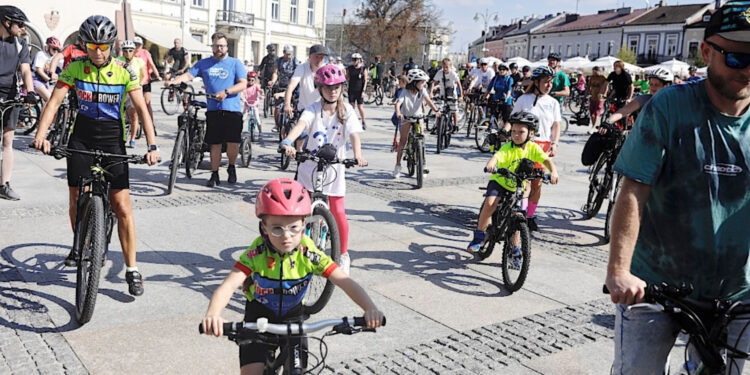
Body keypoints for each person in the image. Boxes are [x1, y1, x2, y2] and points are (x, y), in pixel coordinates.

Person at [606, 2, 750, 373]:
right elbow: (635, 188)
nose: (748, 69)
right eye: (736, 58)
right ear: (706, 52)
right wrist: (620, 271)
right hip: (657, 283)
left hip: (738, 291)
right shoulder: (670, 107)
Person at [31, 15, 159, 296]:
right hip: (83, 137)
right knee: (75, 194)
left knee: (121, 204)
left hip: (113, 138)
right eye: (92, 46)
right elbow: (54, 102)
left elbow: (141, 110)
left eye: (103, 47)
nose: (98, 52)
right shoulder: (75, 68)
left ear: (111, 46)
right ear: (84, 46)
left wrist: (152, 146)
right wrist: (41, 134)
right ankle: (81, 242)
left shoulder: (125, 70)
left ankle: (132, 268)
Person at [200, 178, 384, 374]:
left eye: (294, 228)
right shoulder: (257, 252)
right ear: (264, 228)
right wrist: (213, 314)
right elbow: (228, 285)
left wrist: (370, 308)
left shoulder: (309, 253)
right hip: (258, 317)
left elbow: (344, 281)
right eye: (276, 228)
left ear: (304, 224)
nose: (286, 236)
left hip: (293, 318)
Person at [279, 65, 366, 275]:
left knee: (338, 212)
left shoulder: (347, 111)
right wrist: (289, 140)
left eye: (337, 87)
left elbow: (354, 134)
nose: (333, 91)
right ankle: (294, 249)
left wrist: (358, 155)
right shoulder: (313, 108)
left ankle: (343, 254)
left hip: (334, 167)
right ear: (320, 89)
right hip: (310, 164)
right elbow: (301, 124)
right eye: (328, 88)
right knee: (300, 209)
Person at [466, 111, 559, 253]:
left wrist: (553, 172)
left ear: (531, 133)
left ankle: (515, 247)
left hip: (518, 186)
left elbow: (546, 160)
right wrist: (491, 164)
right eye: (513, 131)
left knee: (518, 215)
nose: (515, 135)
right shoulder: (507, 147)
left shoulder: (533, 148)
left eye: (520, 132)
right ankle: (479, 236)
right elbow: (497, 156)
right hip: (500, 182)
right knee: (490, 203)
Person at [171, 32, 247, 187]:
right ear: (212, 46)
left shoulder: (235, 63)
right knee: (215, 143)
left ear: (226, 47)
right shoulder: (204, 63)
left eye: (222, 46)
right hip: (213, 110)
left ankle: (231, 167)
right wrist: (176, 80)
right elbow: (189, 75)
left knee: (233, 143)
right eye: (216, 46)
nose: (219, 49)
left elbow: (243, 84)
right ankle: (214, 174)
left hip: (232, 109)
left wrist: (226, 92)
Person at [511, 66, 561, 231]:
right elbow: (511, 120)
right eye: (546, 82)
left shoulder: (553, 103)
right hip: (524, 145)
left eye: (551, 82)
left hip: (543, 146)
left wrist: (555, 143)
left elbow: (556, 125)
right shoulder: (524, 99)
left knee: (537, 184)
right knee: (525, 183)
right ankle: (521, 214)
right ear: (537, 82)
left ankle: (530, 215)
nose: (549, 85)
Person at [0, 5, 36, 201]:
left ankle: (3, 184)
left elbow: (25, 70)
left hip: (11, 95)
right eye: (20, 24)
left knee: (8, 141)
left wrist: (29, 91)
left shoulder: (21, 44)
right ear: (7, 22)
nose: (23, 28)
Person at [393, 69, 439, 179]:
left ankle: (423, 165)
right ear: (414, 82)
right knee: (403, 141)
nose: (424, 84)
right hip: (406, 117)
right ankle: (398, 165)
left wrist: (436, 111)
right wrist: (399, 113)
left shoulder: (422, 91)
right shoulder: (405, 92)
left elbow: (428, 101)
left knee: (421, 140)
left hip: (419, 117)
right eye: (422, 82)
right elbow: (398, 103)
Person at [603, 67, 672, 130]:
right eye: (651, 84)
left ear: (667, 86)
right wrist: (607, 122)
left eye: (656, 85)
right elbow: (624, 111)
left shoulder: (674, 103)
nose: (653, 88)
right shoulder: (645, 99)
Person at [117, 40, 148, 148]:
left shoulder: (139, 61)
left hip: (133, 90)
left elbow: (144, 76)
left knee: (134, 115)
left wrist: (139, 84)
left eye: (131, 50)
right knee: (117, 113)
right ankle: (120, 136)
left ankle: (133, 138)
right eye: (125, 50)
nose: (128, 52)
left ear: (134, 51)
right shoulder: (118, 60)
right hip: (121, 89)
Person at [283, 44, 328, 119]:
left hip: (321, 111)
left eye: (322, 57)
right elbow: (291, 86)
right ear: (310, 56)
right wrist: (287, 104)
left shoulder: (327, 69)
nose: (319, 60)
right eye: (316, 57)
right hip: (305, 110)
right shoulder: (302, 68)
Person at [270, 45, 299, 131]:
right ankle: (276, 125)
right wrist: (273, 81)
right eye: (286, 54)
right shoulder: (279, 61)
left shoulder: (294, 61)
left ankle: (293, 122)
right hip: (281, 86)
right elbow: (275, 73)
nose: (288, 56)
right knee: (277, 107)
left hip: (292, 86)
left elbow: (298, 73)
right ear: (283, 53)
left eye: (290, 54)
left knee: (294, 105)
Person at [133, 37, 161, 124]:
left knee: (147, 103)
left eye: (139, 45)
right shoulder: (130, 53)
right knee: (133, 105)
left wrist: (157, 76)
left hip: (145, 81)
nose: (137, 46)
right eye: (135, 44)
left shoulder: (145, 53)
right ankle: (134, 124)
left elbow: (152, 65)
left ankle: (151, 124)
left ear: (142, 45)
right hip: (133, 82)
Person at [430, 58, 463, 132]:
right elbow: (433, 82)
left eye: (446, 67)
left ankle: (455, 125)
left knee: (453, 110)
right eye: (443, 67)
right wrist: (431, 93)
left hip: (452, 94)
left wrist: (461, 96)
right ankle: (436, 125)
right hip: (442, 94)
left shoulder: (453, 74)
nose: (445, 69)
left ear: (450, 66)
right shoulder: (439, 72)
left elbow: (459, 84)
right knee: (438, 110)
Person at [31, 36, 62, 103]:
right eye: (54, 49)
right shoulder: (41, 54)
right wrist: (49, 79)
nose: (56, 51)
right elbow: (39, 70)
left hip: (46, 82)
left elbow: (63, 66)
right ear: (48, 47)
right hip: (36, 80)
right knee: (50, 99)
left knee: (56, 100)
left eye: (58, 50)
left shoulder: (54, 57)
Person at [486, 64, 514, 131]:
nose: (501, 71)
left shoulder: (509, 79)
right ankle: (493, 129)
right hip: (496, 98)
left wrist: (506, 98)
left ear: (507, 71)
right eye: (500, 69)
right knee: (493, 115)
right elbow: (489, 88)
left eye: (503, 69)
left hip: (506, 101)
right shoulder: (495, 78)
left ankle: (507, 132)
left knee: (506, 118)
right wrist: (484, 97)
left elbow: (509, 90)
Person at [346, 53, 367, 129]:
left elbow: (365, 80)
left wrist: (363, 91)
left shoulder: (363, 69)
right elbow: (346, 77)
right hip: (351, 90)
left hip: (359, 90)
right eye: (353, 60)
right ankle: (352, 121)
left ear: (359, 60)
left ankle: (363, 121)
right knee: (351, 107)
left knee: (360, 106)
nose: (354, 61)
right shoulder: (350, 68)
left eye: (355, 60)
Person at [587, 66, 609, 133]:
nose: (594, 73)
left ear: (599, 71)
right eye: (593, 71)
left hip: (600, 98)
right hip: (593, 97)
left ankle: (593, 127)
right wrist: (586, 95)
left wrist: (604, 94)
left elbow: (606, 86)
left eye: (595, 71)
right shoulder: (592, 78)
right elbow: (588, 86)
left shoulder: (603, 78)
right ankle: (594, 126)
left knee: (596, 113)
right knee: (591, 113)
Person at [242, 71, 264, 137]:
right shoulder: (245, 86)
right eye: (249, 80)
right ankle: (239, 130)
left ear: (255, 80)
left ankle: (260, 132)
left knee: (257, 118)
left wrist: (261, 94)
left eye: (252, 80)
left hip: (254, 104)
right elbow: (242, 93)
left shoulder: (256, 86)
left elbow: (260, 91)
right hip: (247, 104)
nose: (250, 81)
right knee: (243, 118)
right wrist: (242, 98)